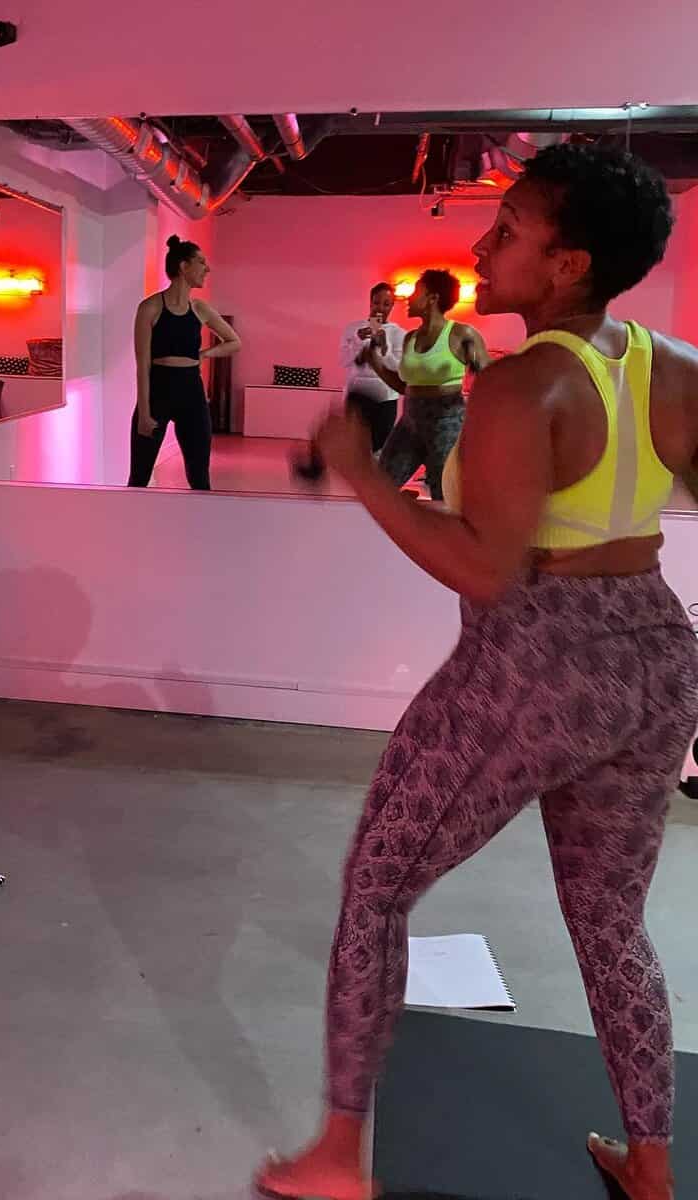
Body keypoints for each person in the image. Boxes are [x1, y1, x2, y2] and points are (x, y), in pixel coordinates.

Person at [255, 141, 698, 1200]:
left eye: (508, 231)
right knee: (612, 919)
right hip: (657, 651)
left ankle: (337, 1157)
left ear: (568, 264)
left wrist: (364, 475)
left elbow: (485, 571)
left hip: (536, 663)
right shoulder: (677, 366)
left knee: (376, 888)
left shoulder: (518, 385)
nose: (479, 247)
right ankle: (649, 1163)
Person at [129, 235, 241, 490]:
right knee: (139, 477)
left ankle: (201, 517)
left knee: (199, 478)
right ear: (183, 266)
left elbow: (234, 342)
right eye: (201, 262)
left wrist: (204, 354)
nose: (207, 269)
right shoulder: (150, 308)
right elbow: (143, 366)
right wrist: (144, 413)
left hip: (191, 391)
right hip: (158, 391)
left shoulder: (200, 308)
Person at [366, 268, 490, 500]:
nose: (408, 298)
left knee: (442, 494)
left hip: (446, 423)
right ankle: (410, 509)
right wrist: (377, 363)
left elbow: (490, 378)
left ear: (432, 298)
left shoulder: (462, 334)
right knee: (382, 485)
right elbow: (405, 386)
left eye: (416, 291)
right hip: (410, 420)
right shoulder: (410, 338)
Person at [295, 282, 406, 481]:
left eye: (386, 304)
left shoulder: (399, 334)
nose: (380, 308)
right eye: (376, 303)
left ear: (392, 306)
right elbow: (344, 361)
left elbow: (397, 368)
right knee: (345, 437)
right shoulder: (353, 329)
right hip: (358, 392)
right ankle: (317, 467)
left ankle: (376, 486)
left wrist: (384, 349)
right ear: (370, 302)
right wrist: (357, 340)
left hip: (385, 395)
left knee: (379, 446)